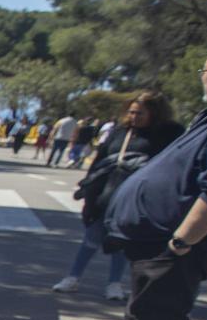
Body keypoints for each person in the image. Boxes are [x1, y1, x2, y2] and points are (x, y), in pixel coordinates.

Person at [82, 45, 207, 320]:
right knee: (145, 313)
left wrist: (181, 242)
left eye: (204, 70)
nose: (203, 77)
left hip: (176, 243)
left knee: (158, 316)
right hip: (160, 239)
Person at [58, 91, 183, 300]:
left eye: (140, 113)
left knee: (121, 241)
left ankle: (114, 284)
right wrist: (89, 193)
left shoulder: (167, 134)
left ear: (155, 113)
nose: (134, 117)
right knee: (91, 238)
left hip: (137, 200)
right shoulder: (120, 132)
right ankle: (72, 277)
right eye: (132, 112)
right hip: (106, 195)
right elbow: (100, 162)